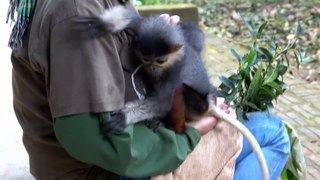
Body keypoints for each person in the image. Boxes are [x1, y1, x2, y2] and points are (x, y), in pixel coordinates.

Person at [6, 0, 289, 179]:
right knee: (272, 134)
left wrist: (159, 32)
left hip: (127, 143)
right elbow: (98, 141)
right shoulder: (76, 9)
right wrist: (192, 133)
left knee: (256, 128)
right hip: (103, 170)